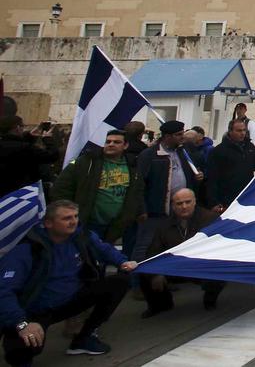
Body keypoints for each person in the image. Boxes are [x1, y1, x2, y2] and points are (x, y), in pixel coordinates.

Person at [0, 200, 137, 363]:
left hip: (70, 299)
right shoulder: (27, 249)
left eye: (76, 216)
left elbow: (104, 249)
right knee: (21, 350)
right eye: (66, 218)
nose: (74, 221)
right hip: (37, 310)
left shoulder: (81, 236)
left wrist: (122, 262)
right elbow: (4, 291)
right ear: (48, 223)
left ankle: (84, 338)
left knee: (120, 282)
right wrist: (21, 323)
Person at [139, 189, 225, 316]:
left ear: (195, 202)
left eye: (187, 202)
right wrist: (155, 274)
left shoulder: (210, 219)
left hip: (202, 264)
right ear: (173, 206)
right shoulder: (163, 225)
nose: (184, 206)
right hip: (176, 266)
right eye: (179, 204)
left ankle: (210, 300)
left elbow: (221, 248)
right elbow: (153, 251)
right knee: (144, 269)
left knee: (220, 268)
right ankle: (161, 305)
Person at [52, 129, 143, 245]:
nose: (111, 144)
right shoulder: (86, 162)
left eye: (116, 142)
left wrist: (139, 210)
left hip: (116, 224)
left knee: (105, 255)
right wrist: (68, 212)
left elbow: (138, 191)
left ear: (125, 146)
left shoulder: (132, 165)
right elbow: (61, 187)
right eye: (108, 141)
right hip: (87, 221)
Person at [134, 121, 203, 264]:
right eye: (178, 135)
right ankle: (136, 281)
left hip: (178, 210)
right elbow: (139, 185)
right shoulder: (150, 155)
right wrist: (142, 208)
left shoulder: (182, 153)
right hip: (156, 210)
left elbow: (188, 175)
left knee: (169, 246)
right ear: (167, 136)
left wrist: (197, 177)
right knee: (145, 245)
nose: (182, 137)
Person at [205, 120, 255, 214]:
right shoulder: (219, 151)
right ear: (230, 131)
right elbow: (212, 178)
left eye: (244, 130)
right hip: (227, 199)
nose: (242, 133)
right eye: (239, 131)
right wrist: (213, 202)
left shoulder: (250, 147)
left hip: (247, 197)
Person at [0, 115, 60, 197]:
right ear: (17, 128)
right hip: (22, 195)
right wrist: (47, 139)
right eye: (22, 126)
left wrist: (30, 136)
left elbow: (13, 146)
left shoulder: (18, 147)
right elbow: (52, 155)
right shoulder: (25, 148)